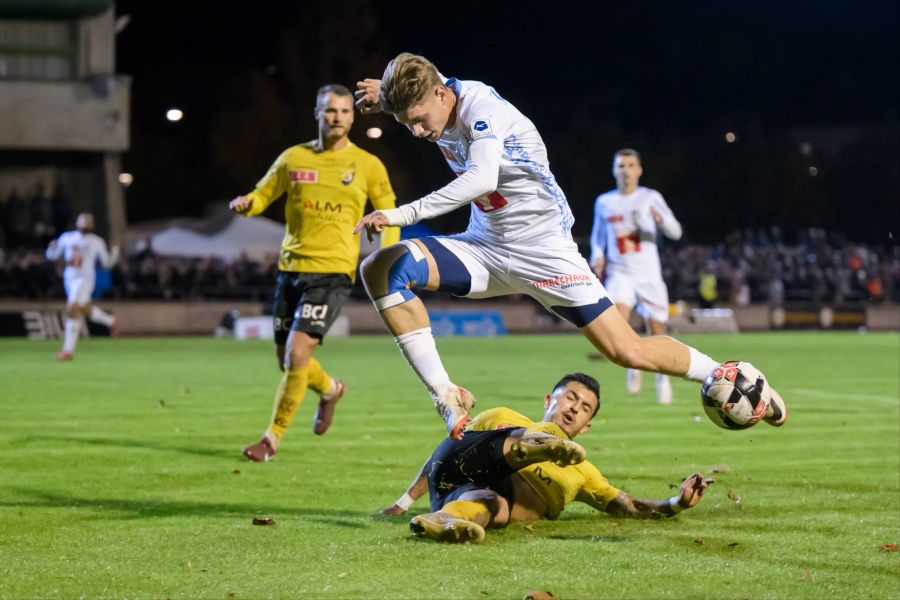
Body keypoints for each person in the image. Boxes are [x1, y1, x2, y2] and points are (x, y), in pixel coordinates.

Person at [353, 52, 786, 439]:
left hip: (543, 251)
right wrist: (388, 96)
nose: (417, 131)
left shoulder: (482, 110)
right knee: (382, 268)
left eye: (419, 118)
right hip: (484, 246)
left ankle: (728, 375)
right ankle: (446, 394)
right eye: (406, 122)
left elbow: (482, 178)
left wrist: (401, 214)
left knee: (626, 350)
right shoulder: (436, 91)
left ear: (441, 95)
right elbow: (425, 78)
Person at [231, 84, 400, 462]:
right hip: (291, 269)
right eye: (330, 111)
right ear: (317, 114)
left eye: (344, 111)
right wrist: (248, 204)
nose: (337, 118)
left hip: (333, 272)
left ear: (353, 117)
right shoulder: (293, 158)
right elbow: (263, 193)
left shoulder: (368, 165)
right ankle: (330, 389)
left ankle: (270, 439)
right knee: (288, 361)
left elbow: (389, 211)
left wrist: (388, 254)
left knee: (297, 351)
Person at [380, 373, 715, 544]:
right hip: (458, 468)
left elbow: (627, 505)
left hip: (467, 498)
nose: (574, 408)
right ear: (548, 399)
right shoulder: (501, 413)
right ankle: (534, 444)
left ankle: (445, 520)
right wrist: (405, 500)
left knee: (490, 505)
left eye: (584, 409)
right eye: (570, 398)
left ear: (586, 427)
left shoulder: (584, 472)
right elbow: (448, 452)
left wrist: (677, 503)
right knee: (497, 440)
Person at [590, 149, 683, 404]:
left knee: (657, 329)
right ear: (614, 170)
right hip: (620, 271)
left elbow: (676, 232)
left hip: (648, 273)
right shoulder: (605, 202)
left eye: (630, 165)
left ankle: (662, 378)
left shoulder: (650, 198)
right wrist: (597, 256)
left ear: (639, 170)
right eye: (621, 166)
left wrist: (661, 220)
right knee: (618, 322)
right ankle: (634, 363)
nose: (626, 171)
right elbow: (598, 235)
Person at [45, 212, 119, 360]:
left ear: (92, 225)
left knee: (73, 308)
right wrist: (51, 248)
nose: (85, 223)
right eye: (83, 220)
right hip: (70, 279)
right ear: (77, 222)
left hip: (85, 279)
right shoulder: (67, 237)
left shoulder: (96, 241)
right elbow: (52, 256)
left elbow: (106, 263)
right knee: (84, 309)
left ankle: (67, 350)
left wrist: (115, 252)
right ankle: (111, 321)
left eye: (88, 221)